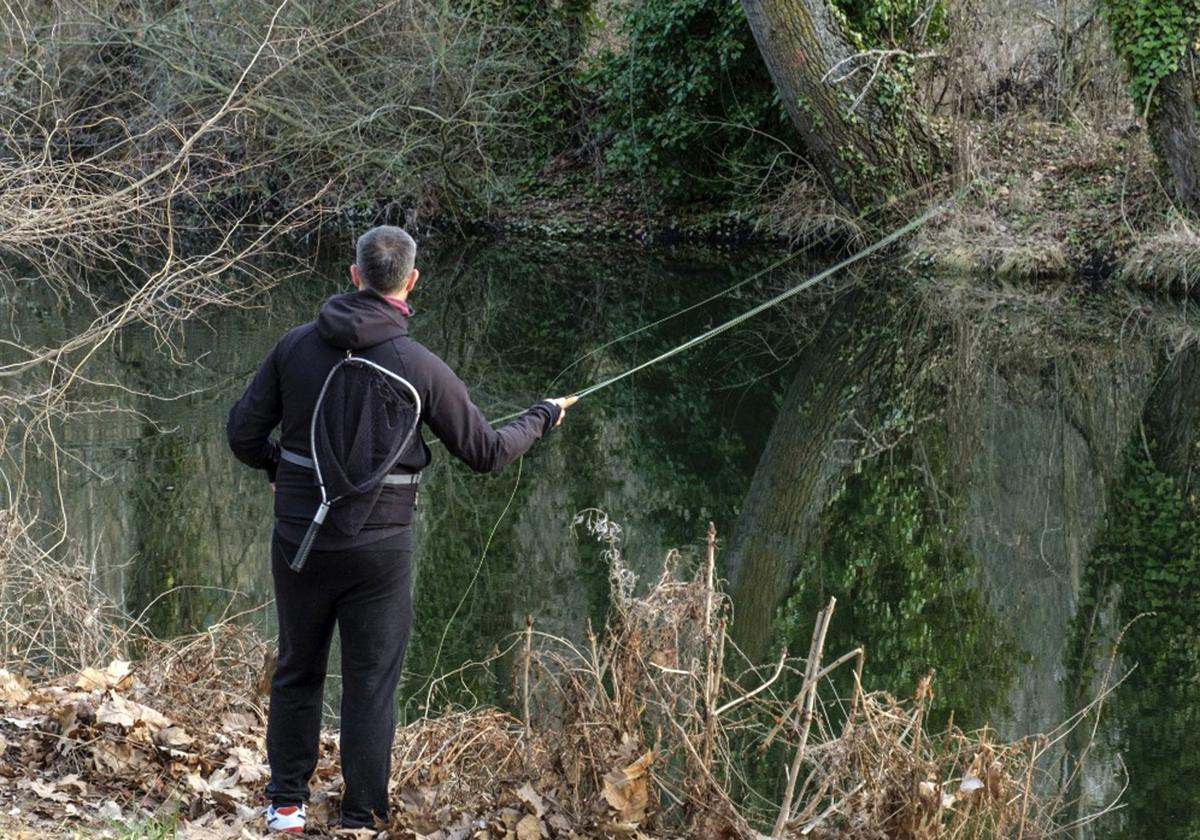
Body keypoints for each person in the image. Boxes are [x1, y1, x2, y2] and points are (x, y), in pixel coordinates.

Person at [226, 226, 576, 835]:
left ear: (355, 274)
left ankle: (286, 808)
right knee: (370, 684)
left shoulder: (294, 347)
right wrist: (543, 416)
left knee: (297, 667)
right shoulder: (421, 365)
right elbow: (488, 452)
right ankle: (361, 819)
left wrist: (279, 468)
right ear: (410, 282)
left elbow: (242, 437)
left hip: (300, 540)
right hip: (380, 551)